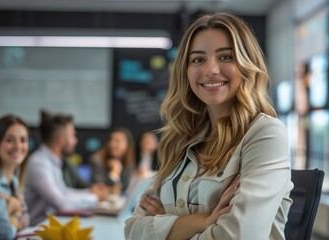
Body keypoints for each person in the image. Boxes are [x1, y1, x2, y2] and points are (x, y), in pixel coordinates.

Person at [124, 12, 293, 240]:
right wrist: (203, 220)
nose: (210, 70)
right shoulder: (182, 139)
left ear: (247, 64)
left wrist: (168, 227)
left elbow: (237, 236)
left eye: (225, 57)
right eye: (198, 59)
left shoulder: (266, 134)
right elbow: (133, 229)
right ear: (186, 70)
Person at [24, 110, 109, 225]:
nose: (76, 141)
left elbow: (63, 192)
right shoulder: (39, 163)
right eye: (73, 136)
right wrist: (95, 197)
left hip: (50, 226)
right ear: (61, 139)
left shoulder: (52, 161)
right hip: (37, 230)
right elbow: (61, 202)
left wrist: (90, 192)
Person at [89, 127, 136, 192]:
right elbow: (101, 190)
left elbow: (126, 187)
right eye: (110, 140)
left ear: (127, 144)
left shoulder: (129, 162)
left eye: (117, 141)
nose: (112, 145)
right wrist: (114, 174)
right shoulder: (97, 160)